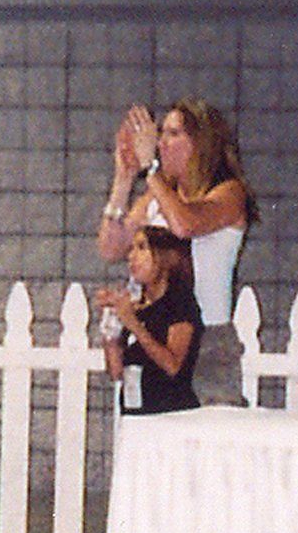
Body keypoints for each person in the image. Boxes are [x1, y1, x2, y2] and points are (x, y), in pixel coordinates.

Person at [99, 99, 258, 406]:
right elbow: (111, 247)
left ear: (201, 143)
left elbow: (185, 225)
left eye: (172, 134)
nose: (161, 143)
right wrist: (124, 177)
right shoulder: (156, 196)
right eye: (161, 134)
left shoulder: (228, 192)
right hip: (157, 335)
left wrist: (152, 170)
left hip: (205, 342)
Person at [95, 225, 202, 416]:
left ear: (164, 256)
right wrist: (111, 327)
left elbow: (173, 365)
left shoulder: (179, 304)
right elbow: (116, 372)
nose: (131, 257)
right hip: (135, 412)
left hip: (169, 415)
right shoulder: (137, 308)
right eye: (131, 249)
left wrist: (134, 325)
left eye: (141, 248)